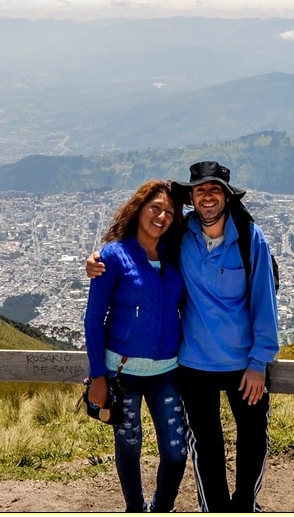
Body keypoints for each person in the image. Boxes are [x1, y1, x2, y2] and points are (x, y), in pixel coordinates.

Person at [88, 161, 280, 512]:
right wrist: (97, 259)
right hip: (194, 363)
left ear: (227, 196)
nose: (207, 196)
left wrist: (258, 362)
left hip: (244, 364)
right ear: (191, 197)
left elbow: (266, 302)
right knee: (206, 447)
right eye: (200, 190)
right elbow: (139, 248)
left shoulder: (251, 239)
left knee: (252, 442)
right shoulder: (182, 235)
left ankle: (244, 506)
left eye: (215, 189)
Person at [83, 179, 188, 513]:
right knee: (129, 446)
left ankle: (161, 508)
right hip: (122, 371)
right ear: (139, 208)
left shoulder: (176, 254)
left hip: (167, 371)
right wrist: (98, 375)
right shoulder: (113, 256)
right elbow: (93, 319)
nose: (161, 217)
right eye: (155, 208)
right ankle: (134, 508)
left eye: (169, 212)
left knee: (176, 452)